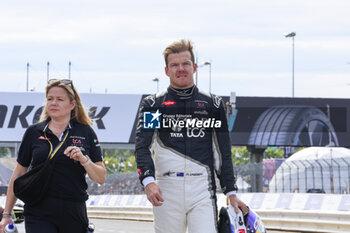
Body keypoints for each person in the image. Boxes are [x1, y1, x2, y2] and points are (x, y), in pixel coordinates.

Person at [135, 39, 246, 233]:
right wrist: (148, 181)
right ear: (166, 70)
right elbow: (143, 146)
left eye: (185, 64)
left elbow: (223, 152)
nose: (181, 69)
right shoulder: (154, 105)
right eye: (174, 65)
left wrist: (231, 192)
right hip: (166, 188)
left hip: (202, 188)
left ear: (194, 67)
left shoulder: (213, 104)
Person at [0, 79, 106, 233]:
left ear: (72, 105)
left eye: (60, 99)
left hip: (74, 210)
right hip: (38, 210)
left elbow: (101, 178)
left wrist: (84, 160)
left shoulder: (86, 132)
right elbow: (18, 173)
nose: (53, 103)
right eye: (50, 99)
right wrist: (7, 214)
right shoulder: (33, 132)